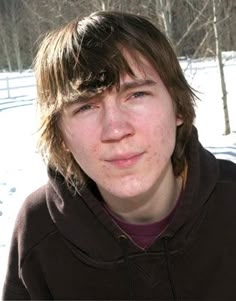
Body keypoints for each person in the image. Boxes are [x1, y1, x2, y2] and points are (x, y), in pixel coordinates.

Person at [2, 11, 236, 301]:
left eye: (136, 94)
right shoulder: (39, 229)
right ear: (61, 135)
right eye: (85, 107)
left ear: (177, 106)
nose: (115, 129)